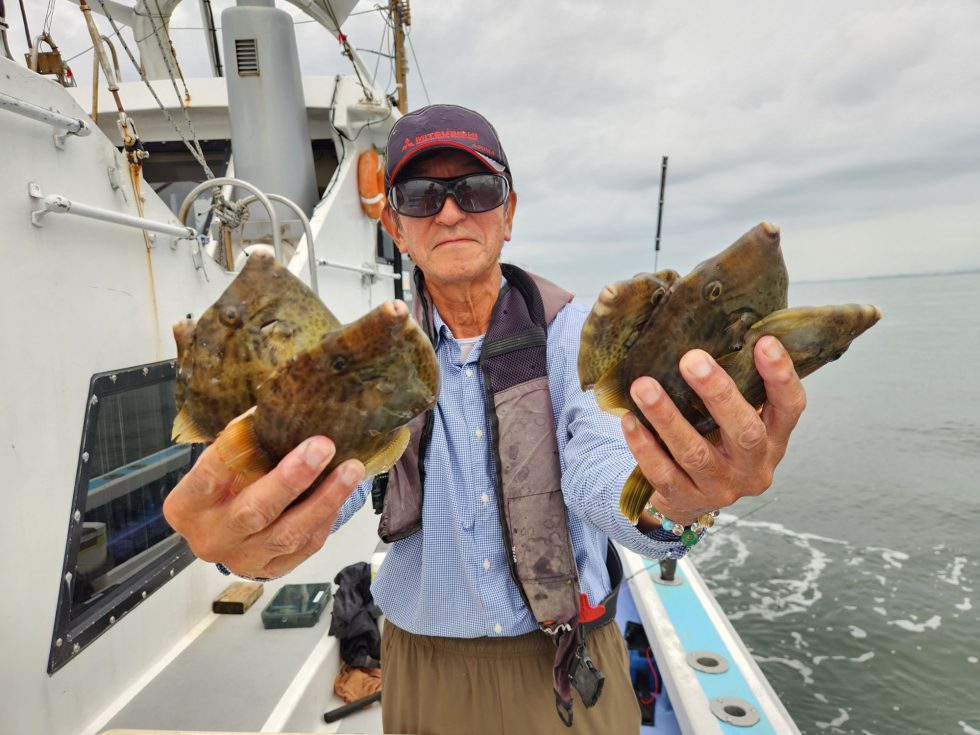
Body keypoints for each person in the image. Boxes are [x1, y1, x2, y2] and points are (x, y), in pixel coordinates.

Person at [163, 104, 807, 733]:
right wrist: (245, 538)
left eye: (474, 190)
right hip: (421, 667)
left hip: (568, 664)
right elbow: (334, 483)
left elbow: (601, 467)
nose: (449, 211)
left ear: (508, 214)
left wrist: (677, 495)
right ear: (395, 226)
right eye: (420, 195)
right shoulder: (359, 361)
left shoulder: (581, 338)